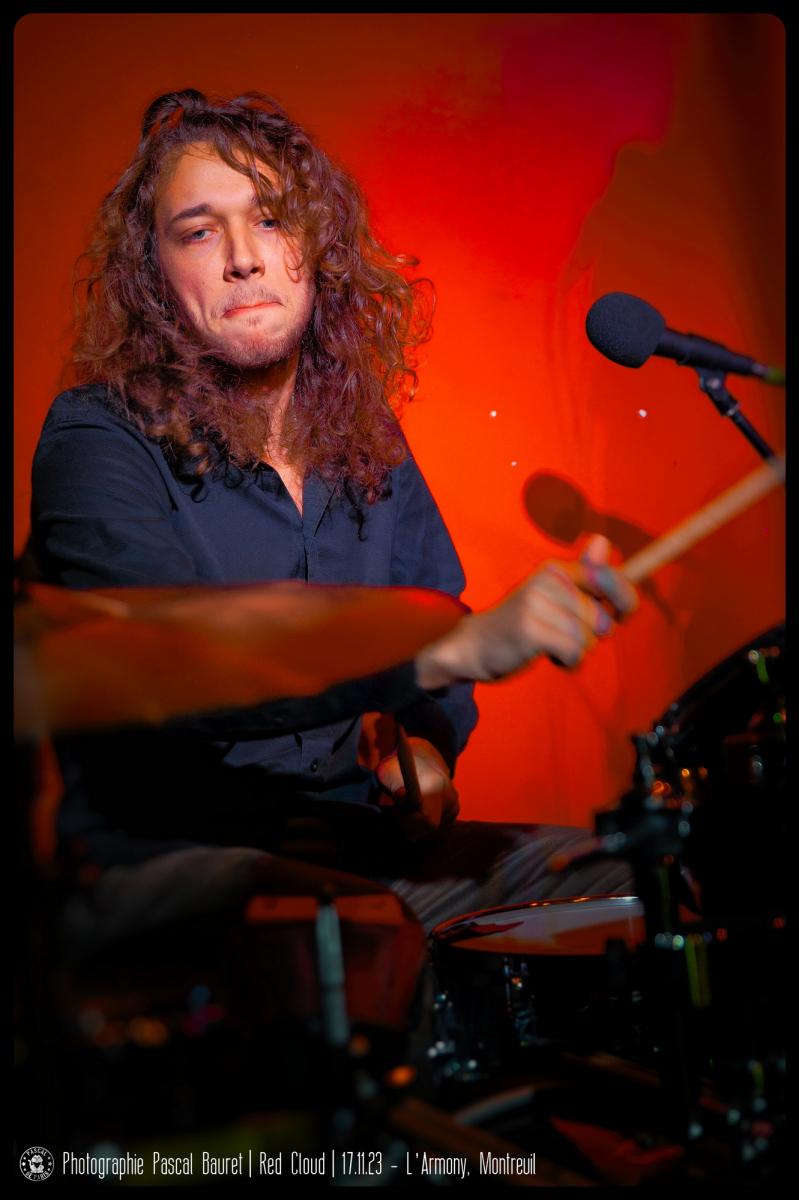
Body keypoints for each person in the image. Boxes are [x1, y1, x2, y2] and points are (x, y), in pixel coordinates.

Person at [30, 90, 638, 953]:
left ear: (315, 245)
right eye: (198, 232)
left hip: (356, 851)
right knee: (351, 941)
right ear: (152, 275)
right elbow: (169, 664)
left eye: (271, 219)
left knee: (624, 879)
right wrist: (440, 653)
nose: (244, 258)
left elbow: (434, 607)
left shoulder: (364, 433)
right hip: (168, 865)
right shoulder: (97, 436)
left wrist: (426, 746)